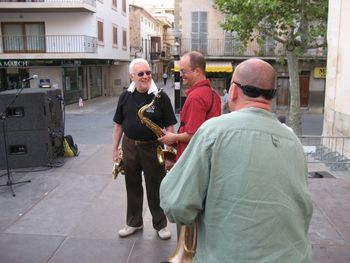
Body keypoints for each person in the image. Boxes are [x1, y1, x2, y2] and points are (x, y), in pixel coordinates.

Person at [160, 58, 313, 263]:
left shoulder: (213, 131)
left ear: (233, 91)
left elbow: (176, 204)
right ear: (272, 96)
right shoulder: (293, 140)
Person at [112, 58, 177, 240]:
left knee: (156, 186)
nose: (146, 76)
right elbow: (118, 125)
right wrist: (115, 150)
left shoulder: (160, 96)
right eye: (141, 73)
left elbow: (170, 127)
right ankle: (134, 222)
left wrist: (169, 153)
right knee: (132, 185)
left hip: (153, 147)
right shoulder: (125, 96)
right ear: (132, 76)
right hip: (130, 145)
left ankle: (160, 224)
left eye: (148, 72)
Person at [159, 51, 221, 161]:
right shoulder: (213, 93)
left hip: (192, 158)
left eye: (183, 71)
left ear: (197, 71)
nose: (181, 75)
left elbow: (194, 135)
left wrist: (173, 137)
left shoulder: (196, 97)